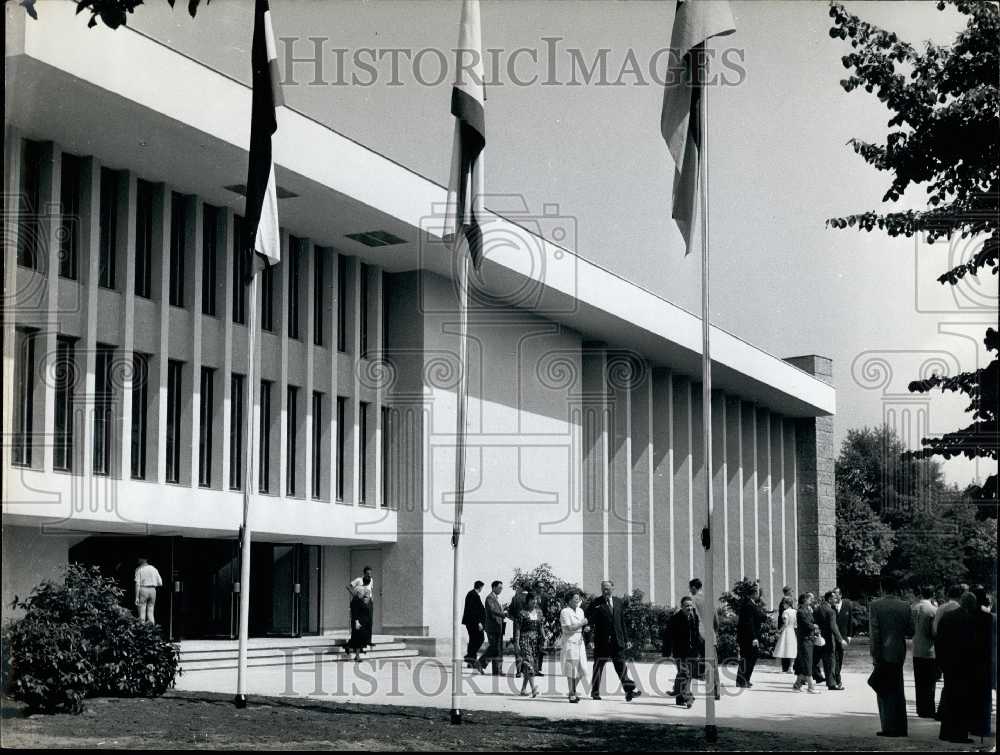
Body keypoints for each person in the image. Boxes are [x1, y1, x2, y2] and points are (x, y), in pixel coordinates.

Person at [585, 580, 641, 701]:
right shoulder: (596, 603)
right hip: (601, 642)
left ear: (612, 588)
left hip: (617, 641)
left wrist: (626, 639)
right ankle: (595, 692)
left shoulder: (618, 602)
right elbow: (589, 622)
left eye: (607, 588)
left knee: (621, 666)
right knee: (598, 667)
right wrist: (589, 640)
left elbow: (621, 622)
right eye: (603, 588)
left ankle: (629, 691)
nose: (605, 591)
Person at [868, 593, 914, 737]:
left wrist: (874, 653)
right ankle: (901, 727)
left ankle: (888, 726)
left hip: (883, 652)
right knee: (898, 689)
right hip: (898, 651)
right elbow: (911, 631)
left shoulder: (875, 605)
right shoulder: (905, 606)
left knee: (883, 690)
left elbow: (874, 633)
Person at [936, 591, 977, 743]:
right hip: (965, 665)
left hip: (948, 663)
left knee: (949, 696)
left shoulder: (947, 617)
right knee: (962, 700)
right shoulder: (971, 619)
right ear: (972, 604)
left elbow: (939, 641)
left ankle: (945, 732)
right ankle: (959, 734)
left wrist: (940, 662)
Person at [969, 586, 994, 739]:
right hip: (984, 660)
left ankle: (971, 724)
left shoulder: (968, 617)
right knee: (984, 696)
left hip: (970, 660)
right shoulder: (989, 618)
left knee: (971, 694)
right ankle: (983, 727)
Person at [910, 585, 939, 719]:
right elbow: (934, 632)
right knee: (930, 682)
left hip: (916, 648)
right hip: (929, 650)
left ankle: (920, 709)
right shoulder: (933, 610)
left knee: (919, 681)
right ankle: (929, 709)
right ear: (933, 594)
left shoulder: (913, 607)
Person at [668, 596, 700, 707]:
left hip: (692, 652)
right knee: (685, 673)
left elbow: (696, 635)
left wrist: (699, 649)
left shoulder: (694, 617)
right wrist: (668, 652)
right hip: (680, 652)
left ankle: (679, 697)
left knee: (687, 675)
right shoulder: (675, 619)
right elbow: (669, 636)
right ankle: (688, 697)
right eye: (687, 606)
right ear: (681, 607)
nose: (689, 608)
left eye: (691, 605)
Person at [513, 593, 545, 697]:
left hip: (535, 641)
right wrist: (517, 643)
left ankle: (523, 689)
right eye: (532, 600)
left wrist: (544, 638)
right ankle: (533, 688)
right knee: (529, 662)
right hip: (524, 639)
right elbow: (517, 629)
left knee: (531, 664)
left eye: (536, 599)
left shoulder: (539, 612)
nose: (534, 602)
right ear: (528, 601)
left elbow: (541, 627)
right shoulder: (522, 613)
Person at [559, 590, 588, 703]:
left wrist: (585, 628)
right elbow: (568, 628)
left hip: (580, 641)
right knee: (571, 669)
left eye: (578, 598)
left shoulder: (580, 611)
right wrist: (582, 624)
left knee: (583, 669)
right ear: (569, 600)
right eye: (575, 598)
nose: (578, 600)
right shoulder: (565, 612)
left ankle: (572, 690)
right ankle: (572, 694)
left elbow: (580, 626)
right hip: (570, 641)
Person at [735, 584, 766, 688]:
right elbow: (749, 623)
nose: (759, 595)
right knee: (748, 658)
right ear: (754, 593)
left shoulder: (751, 604)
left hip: (749, 637)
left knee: (750, 658)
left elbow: (757, 617)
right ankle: (742, 680)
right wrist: (754, 637)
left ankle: (745, 679)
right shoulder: (748, 605)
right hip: (748, 638)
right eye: (758, 593)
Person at [814, 591, 846, 690]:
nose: (836, 600)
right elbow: (833, 627)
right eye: (834, 598)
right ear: (829, 599)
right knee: (830, 662)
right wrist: (840, 639)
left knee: (814, 660)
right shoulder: (831, 611)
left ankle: (809, 677)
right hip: (828, 640)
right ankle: (831, 684)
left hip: (818, 639)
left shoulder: (817, 609)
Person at [476, 580, 506, 675]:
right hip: (492, 627)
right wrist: (503, 614)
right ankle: (480, 662)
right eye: (499, 588)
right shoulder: (490, 598)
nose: (501, 590)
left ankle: (497, 671)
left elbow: (497, 610)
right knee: (494, 648)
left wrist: (504, 609)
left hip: (498, 627)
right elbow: (492, 610)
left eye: (502, 588)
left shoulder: (496, 598)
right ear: (494, 587)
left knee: (498, 649)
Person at [793, 593, 819, 693]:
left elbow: (812, 622)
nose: (811, 600)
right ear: (804, 600)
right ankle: (811, 687)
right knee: (807, 662)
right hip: (804, 640)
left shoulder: (808, 610)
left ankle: (797, 685)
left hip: (809, 639)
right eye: (809, 598)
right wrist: (814, 626)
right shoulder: (800, 611)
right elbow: (807, 625)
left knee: (804, 663)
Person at [831, 587, 854, 689]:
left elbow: (850, 621)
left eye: (836, 593)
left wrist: (849, 636)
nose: (834, 595)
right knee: (834, 657)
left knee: (840, 658)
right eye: (833, 593)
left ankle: (836, 676)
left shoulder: (847, 605)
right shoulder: (830, 606)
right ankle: (837, 679)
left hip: (843, 636)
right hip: (832, 636)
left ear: (840, 595)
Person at [462, 580, 487, 668]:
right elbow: (474, 610)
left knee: (473, 640)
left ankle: (470, 660)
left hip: (472, 622)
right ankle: (469, 657)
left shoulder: (472, 594)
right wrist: (479, 622)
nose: (482, 589)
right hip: (474, 623)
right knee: (479, 639)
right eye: (482, 587)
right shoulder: (473, 595)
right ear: (480, 587)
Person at [346, 588, 373, 662]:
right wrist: (357, 622)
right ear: (358, 593)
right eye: (362, 593)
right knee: (358, 639)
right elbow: (354, 612)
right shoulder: (356, 601)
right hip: (358, 623)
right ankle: (356, 656)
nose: (363, 594)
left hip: (361, 623)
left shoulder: (359, 600)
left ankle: (350, 648)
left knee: (358, 639)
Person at [134, 555, 163, 624]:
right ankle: (153, 630)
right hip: (153, 590)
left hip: (143, 589)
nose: (138, 560)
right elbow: (160, 583)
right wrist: (152, 582)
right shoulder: (154, 569)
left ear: (143, 559)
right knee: (151, 612)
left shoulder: (139, 569)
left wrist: (136, 597)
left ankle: (142, 630)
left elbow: (137, 584)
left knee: (142, 613)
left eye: (139, 558)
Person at [774, 597, 798, 673]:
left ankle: (779, 667)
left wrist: (779, 631)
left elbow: (785, 623)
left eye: (784, 603)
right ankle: (791, 667)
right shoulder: (795, 611)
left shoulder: (785, 612)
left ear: (787, 604)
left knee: (781, 647)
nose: (783, 605)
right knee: (792, 649)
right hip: (792, 631)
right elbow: (796, 624)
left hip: (786, 631)